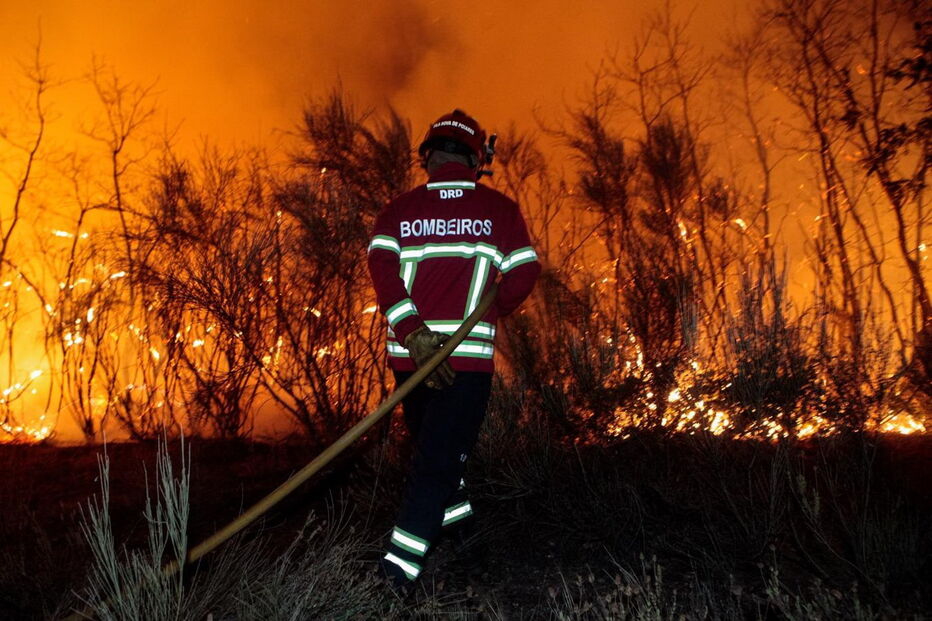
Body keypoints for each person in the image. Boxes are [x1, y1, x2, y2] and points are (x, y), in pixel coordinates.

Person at [367, 109, 541, 588]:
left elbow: (382, 275)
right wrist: (493, 306)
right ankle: (395, 578)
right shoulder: (499, 210)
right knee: (439, 465)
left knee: (434, 453)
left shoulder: (396, 211)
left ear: (429, 156)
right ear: (475, 157)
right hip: (464, 366)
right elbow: (525, 271)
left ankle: (463, 537)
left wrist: (413, 334)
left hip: (410, 364)